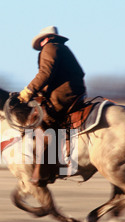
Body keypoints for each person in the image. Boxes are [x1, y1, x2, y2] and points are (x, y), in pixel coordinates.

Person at [18, 26, 86, 185]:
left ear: (45, 38)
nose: (40, 44)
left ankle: (45, 172)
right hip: (72, 90)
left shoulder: (50, 48)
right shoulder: (60, 48)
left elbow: (45, 74)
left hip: (65, 93)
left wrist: (28, 91)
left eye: (41, 40)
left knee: (44, 122)